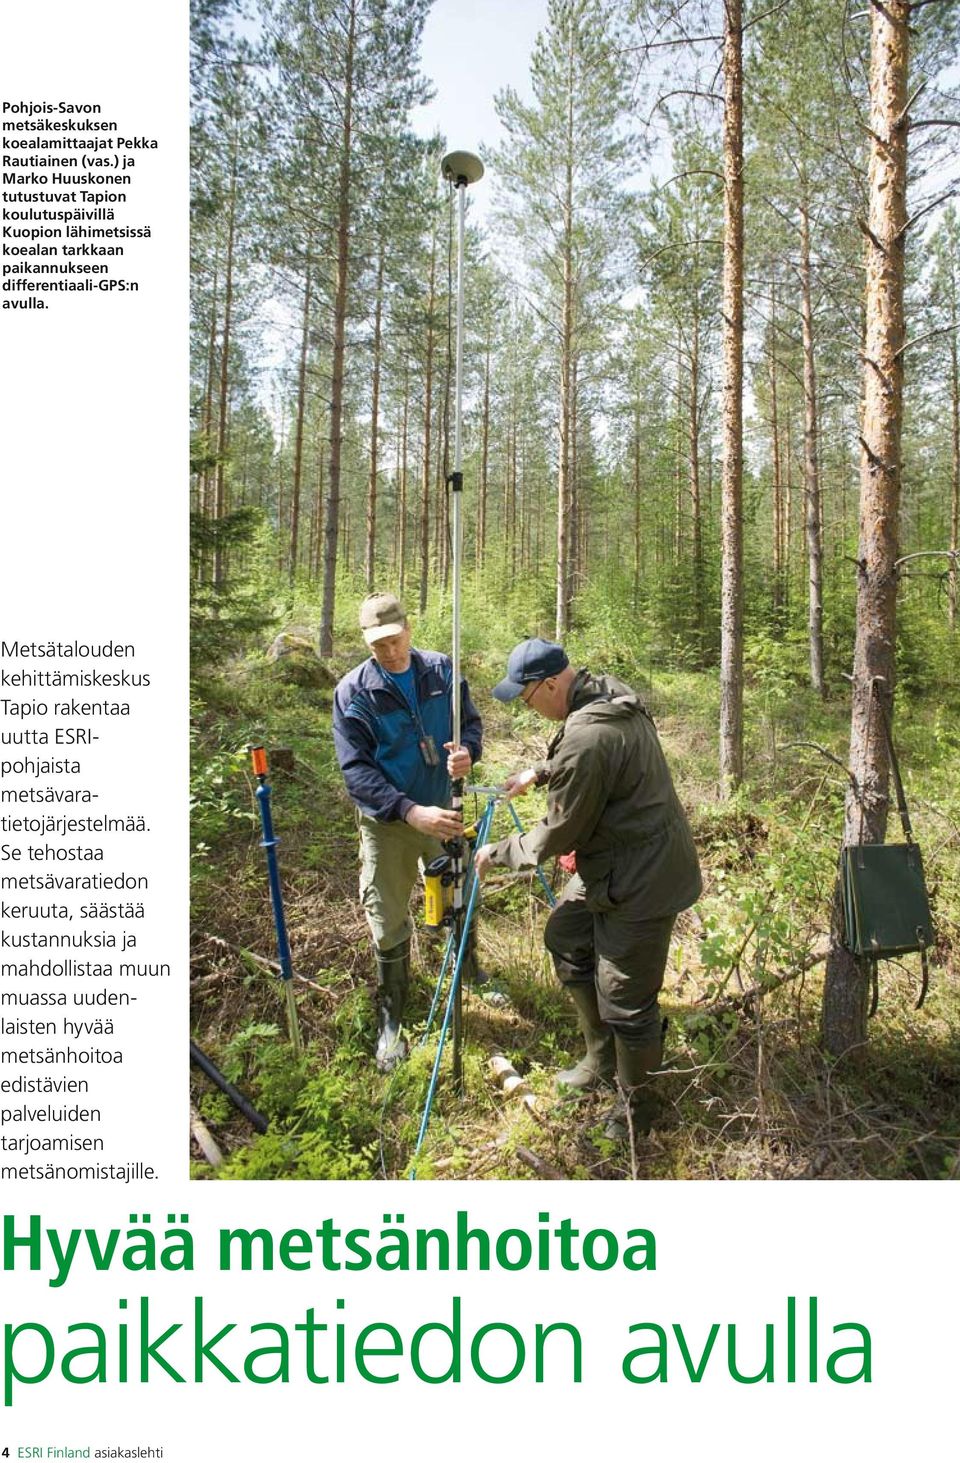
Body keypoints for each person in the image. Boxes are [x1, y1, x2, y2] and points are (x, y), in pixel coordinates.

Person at [473, 638, 701, 1139]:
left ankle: (637, 1108)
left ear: (552, 683)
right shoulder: (608, 694)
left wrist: (499, 851)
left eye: (529, 699)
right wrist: (540, 770)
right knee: (567, 935)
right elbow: (600, 757)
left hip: (644, 875)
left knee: (626, 996)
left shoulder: (586, 735)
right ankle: (600, 1058)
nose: (530, 711)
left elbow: (559, 832)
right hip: (619, 863)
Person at [332, 592, 483, 1072]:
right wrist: (407, 810)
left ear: (409, 629)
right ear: (366, 642)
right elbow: (355, 771)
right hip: (388, 824)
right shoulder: (353, 693)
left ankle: (471, 971)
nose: (390, 652)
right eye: (378, 645)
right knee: (387, 913)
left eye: (395, 640)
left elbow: (472, 726)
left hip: (447, 809)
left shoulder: (442, 671)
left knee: (462, 890)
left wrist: (469, 754)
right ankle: (392, 1019)